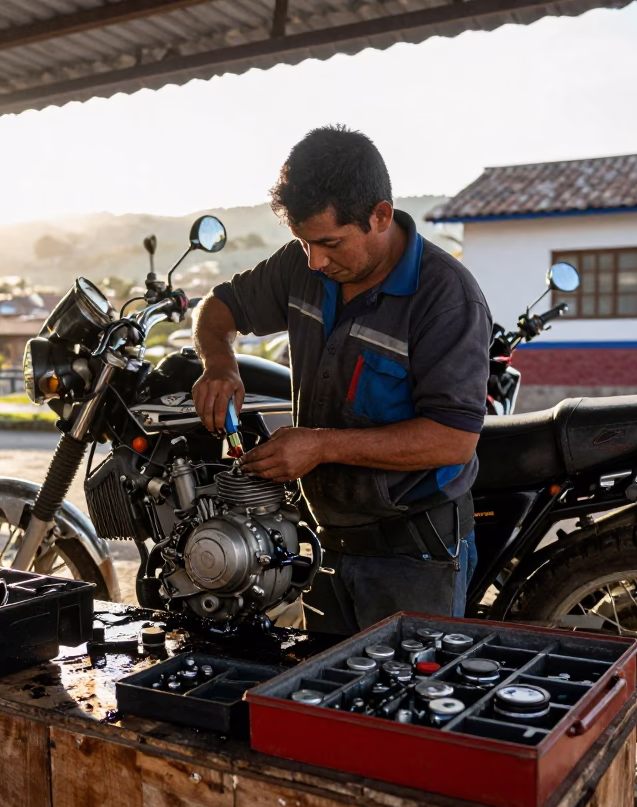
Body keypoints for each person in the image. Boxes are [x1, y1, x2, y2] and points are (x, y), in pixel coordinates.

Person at [192, 126, 492, 634]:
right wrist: (219, 362)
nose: (315, 260)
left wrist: (320, 446)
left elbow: (453, 439)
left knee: (403, 686)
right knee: (323, 679)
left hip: (413, 556)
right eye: (303, 242)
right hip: (327, 544)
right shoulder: (304, 266)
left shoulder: (446, 298)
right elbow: (218, 307)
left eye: (330, 243)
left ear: (380, 216)